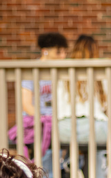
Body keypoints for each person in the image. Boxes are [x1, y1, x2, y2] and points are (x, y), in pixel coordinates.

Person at [56, 34, 111, 178]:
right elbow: (105, 105)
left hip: (65, 129)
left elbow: (56, 103)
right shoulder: (101, 73)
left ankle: (69, 164)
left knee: (71, 140)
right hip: (94, 128)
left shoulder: (62, 71)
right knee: (97, 144)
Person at [8, 33, 68, 165]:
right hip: (37, 122)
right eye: (58, 52)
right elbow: (26, 104)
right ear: (45, 51)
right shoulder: (31, 70)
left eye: (64, 52)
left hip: (58, 120)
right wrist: (44, 119)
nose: (63, 56)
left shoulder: (65, 71)